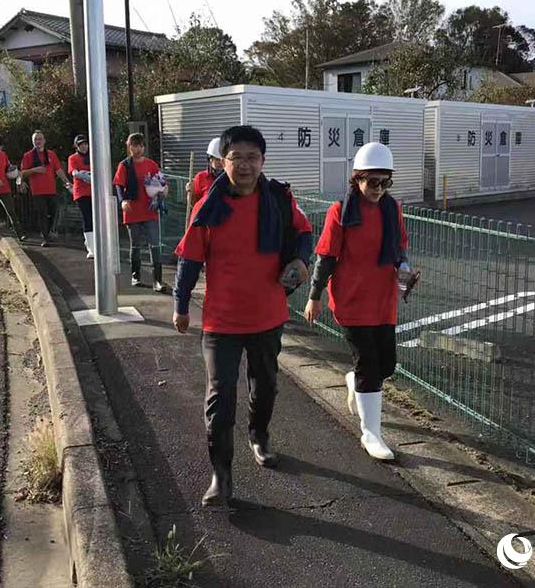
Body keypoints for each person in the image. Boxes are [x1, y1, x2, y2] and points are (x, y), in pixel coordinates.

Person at [172, 125, 313, 507]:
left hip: (268, 315)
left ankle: (259, 434)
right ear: (222, 162)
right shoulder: (209, 206)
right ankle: (221, 475)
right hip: (221, 322)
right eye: (236, 158)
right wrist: (181, 304)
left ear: (263, 161)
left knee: (264, 385)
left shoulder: (280, 199)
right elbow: (189, 260)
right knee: (220, 397)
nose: (245, 165)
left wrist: (301, 260)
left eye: (253, 157)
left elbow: (304, 234)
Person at [303, 142, 419, 461]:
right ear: (357, 179)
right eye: (372, 182)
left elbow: (399, 249)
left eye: (385, 183)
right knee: (369, 365)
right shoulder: (340, 211)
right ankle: (372, 434)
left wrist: (405, 268)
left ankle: (355, 380)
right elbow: (326, 257)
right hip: (352, 300)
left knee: (387, 364)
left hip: (383, 299)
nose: (378, 189)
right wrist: (314, 297)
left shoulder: (391, 208)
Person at [113, 133, 168, 291]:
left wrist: (164, 190)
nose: (137, 149)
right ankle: (135, 275)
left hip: (150, 209)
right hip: (132, 210)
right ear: (129, 147)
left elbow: (162, 182)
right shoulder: (125, 165)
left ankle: (157, 280)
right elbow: (118, 184)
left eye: (140, 145)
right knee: (135, 245)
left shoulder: (151, 164)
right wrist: (122, 200)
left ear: (144, 147)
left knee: (155, 244)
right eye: (134, 145)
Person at [20, 130, 71, 247]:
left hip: (51, 189)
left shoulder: (51, 154)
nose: (38, 142)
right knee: (42, 213)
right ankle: (46, 237)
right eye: (35, 140)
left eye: (40, 139)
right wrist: (34, 170)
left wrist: (67, 183)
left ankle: (49, 232)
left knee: (54, 211)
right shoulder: (28, 156)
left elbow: (58, 170)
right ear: (32, 142)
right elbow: (22, 173)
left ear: (44, 140)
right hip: (37, 191)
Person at [68, 134, 94, 259]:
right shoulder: (73, 158)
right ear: (76, 146)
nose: (84, 146)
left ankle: (94, 243)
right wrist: (85, 175)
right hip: (81, 192)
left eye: (85, 144)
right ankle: (91, 248)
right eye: (80, 144)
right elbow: (74, 172)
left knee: (96, 218)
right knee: (87, 217)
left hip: (94, 191)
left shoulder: (93, 155)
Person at [187, 137, 224, 208]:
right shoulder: (201, 177)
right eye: (217, 159)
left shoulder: (230, 177)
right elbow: (194, 204)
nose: (220, 163)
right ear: (210, 159)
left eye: (222, 159)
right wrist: (190, 193)